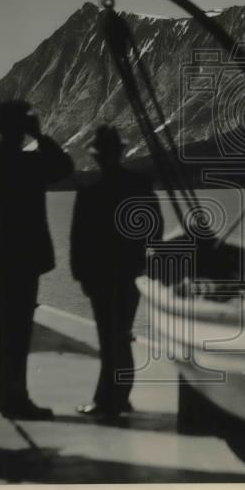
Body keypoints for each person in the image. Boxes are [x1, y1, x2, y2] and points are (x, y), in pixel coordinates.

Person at [0, 100, 74, 420]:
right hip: (25, 257)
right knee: (17, 330)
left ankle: (2, 390)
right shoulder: (29, 164)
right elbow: (65, 167)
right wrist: (40, 136)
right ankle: (16, 397)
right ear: (20, 127)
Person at [70, 125, 160, 420]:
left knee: (110, 338)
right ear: (120, 153)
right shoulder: (139, 184)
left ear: (97, 157)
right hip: (130, 273)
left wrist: (80, 274)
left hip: (99, 277)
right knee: (120, 335)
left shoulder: (89, 192)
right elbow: (154, 227)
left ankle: (108, 401)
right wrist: (144, 261)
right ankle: (119, 397)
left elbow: (78, 238)